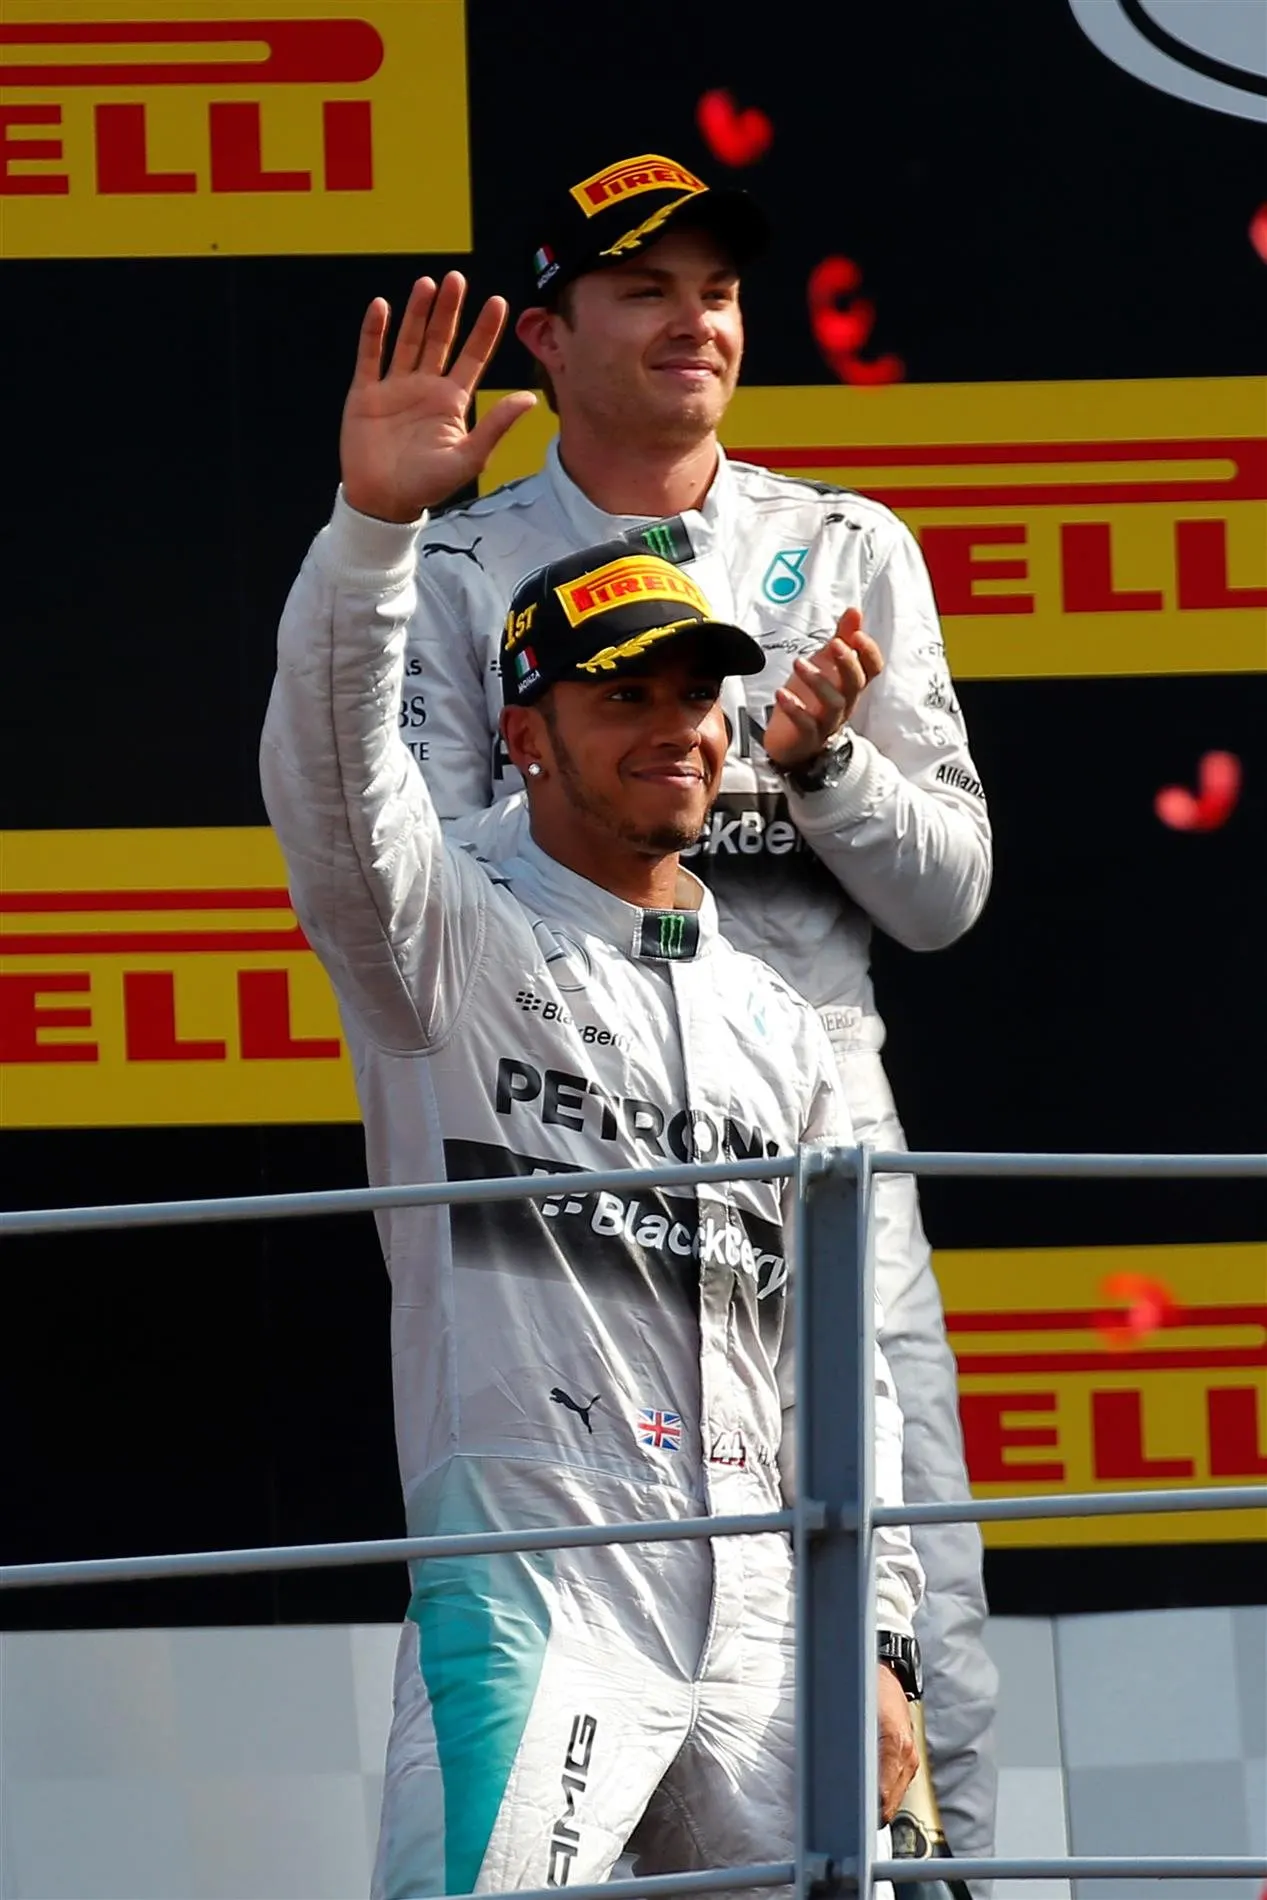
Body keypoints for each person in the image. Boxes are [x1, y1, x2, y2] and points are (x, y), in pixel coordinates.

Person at [339, 150, 997, 1858]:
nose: (694, 319)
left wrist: (822, 768)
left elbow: (944, 898)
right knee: (567, 1634)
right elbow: (416, 866)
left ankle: (930, 1872)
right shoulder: (466, 562)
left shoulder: (842, 545)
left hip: (819, 1134)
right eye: (643, 288)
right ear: (546, 337)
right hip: (566, 1118)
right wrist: (642, 775)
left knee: (907, 1634)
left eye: (714, 287)